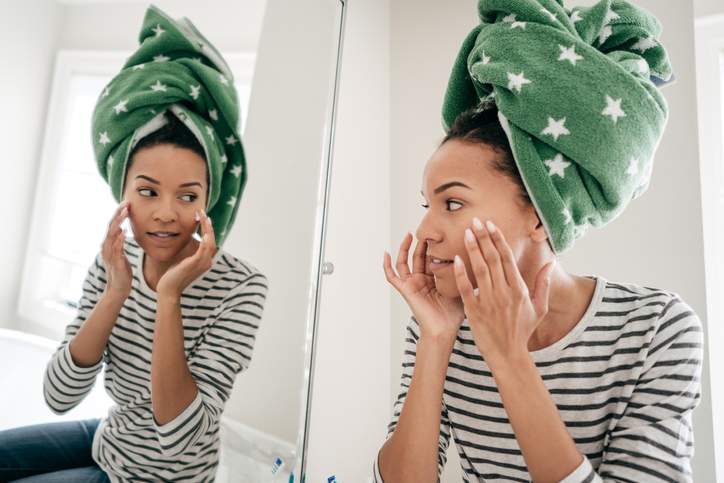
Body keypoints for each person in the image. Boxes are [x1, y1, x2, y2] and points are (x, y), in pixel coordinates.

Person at [374, 1, 703, 482]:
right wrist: (438, 340)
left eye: (453, 204)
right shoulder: (441, 323)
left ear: (539, 211)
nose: (425, 231)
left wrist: (509, 358)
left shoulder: (655, 330)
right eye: (427, 206)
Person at [0, 5, 266, 482]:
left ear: (210, 198)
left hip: (158, 475)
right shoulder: (115, 262)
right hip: (111, 437)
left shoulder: (242, 287)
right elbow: (58, 396)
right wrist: (116, 292)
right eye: (147, 191)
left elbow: (178, 432)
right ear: (122, 192)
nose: (166, 212)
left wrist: (169, 298)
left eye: (188, 195)